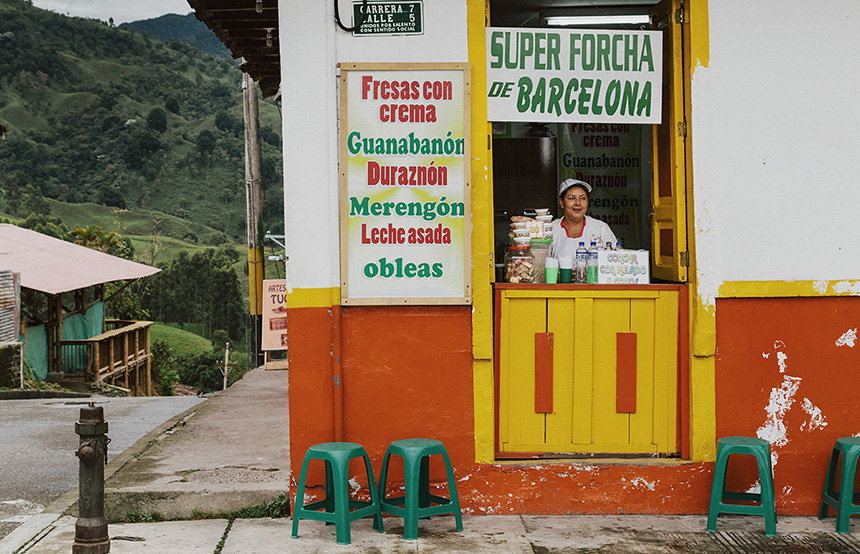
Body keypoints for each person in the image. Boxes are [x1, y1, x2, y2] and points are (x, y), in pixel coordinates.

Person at [550, 178, 617, 260]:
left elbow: (616, 260)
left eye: (582, 198)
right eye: (572, 198)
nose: (578, 203)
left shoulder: (600, 228)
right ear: (561, 202)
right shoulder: (551, 230)